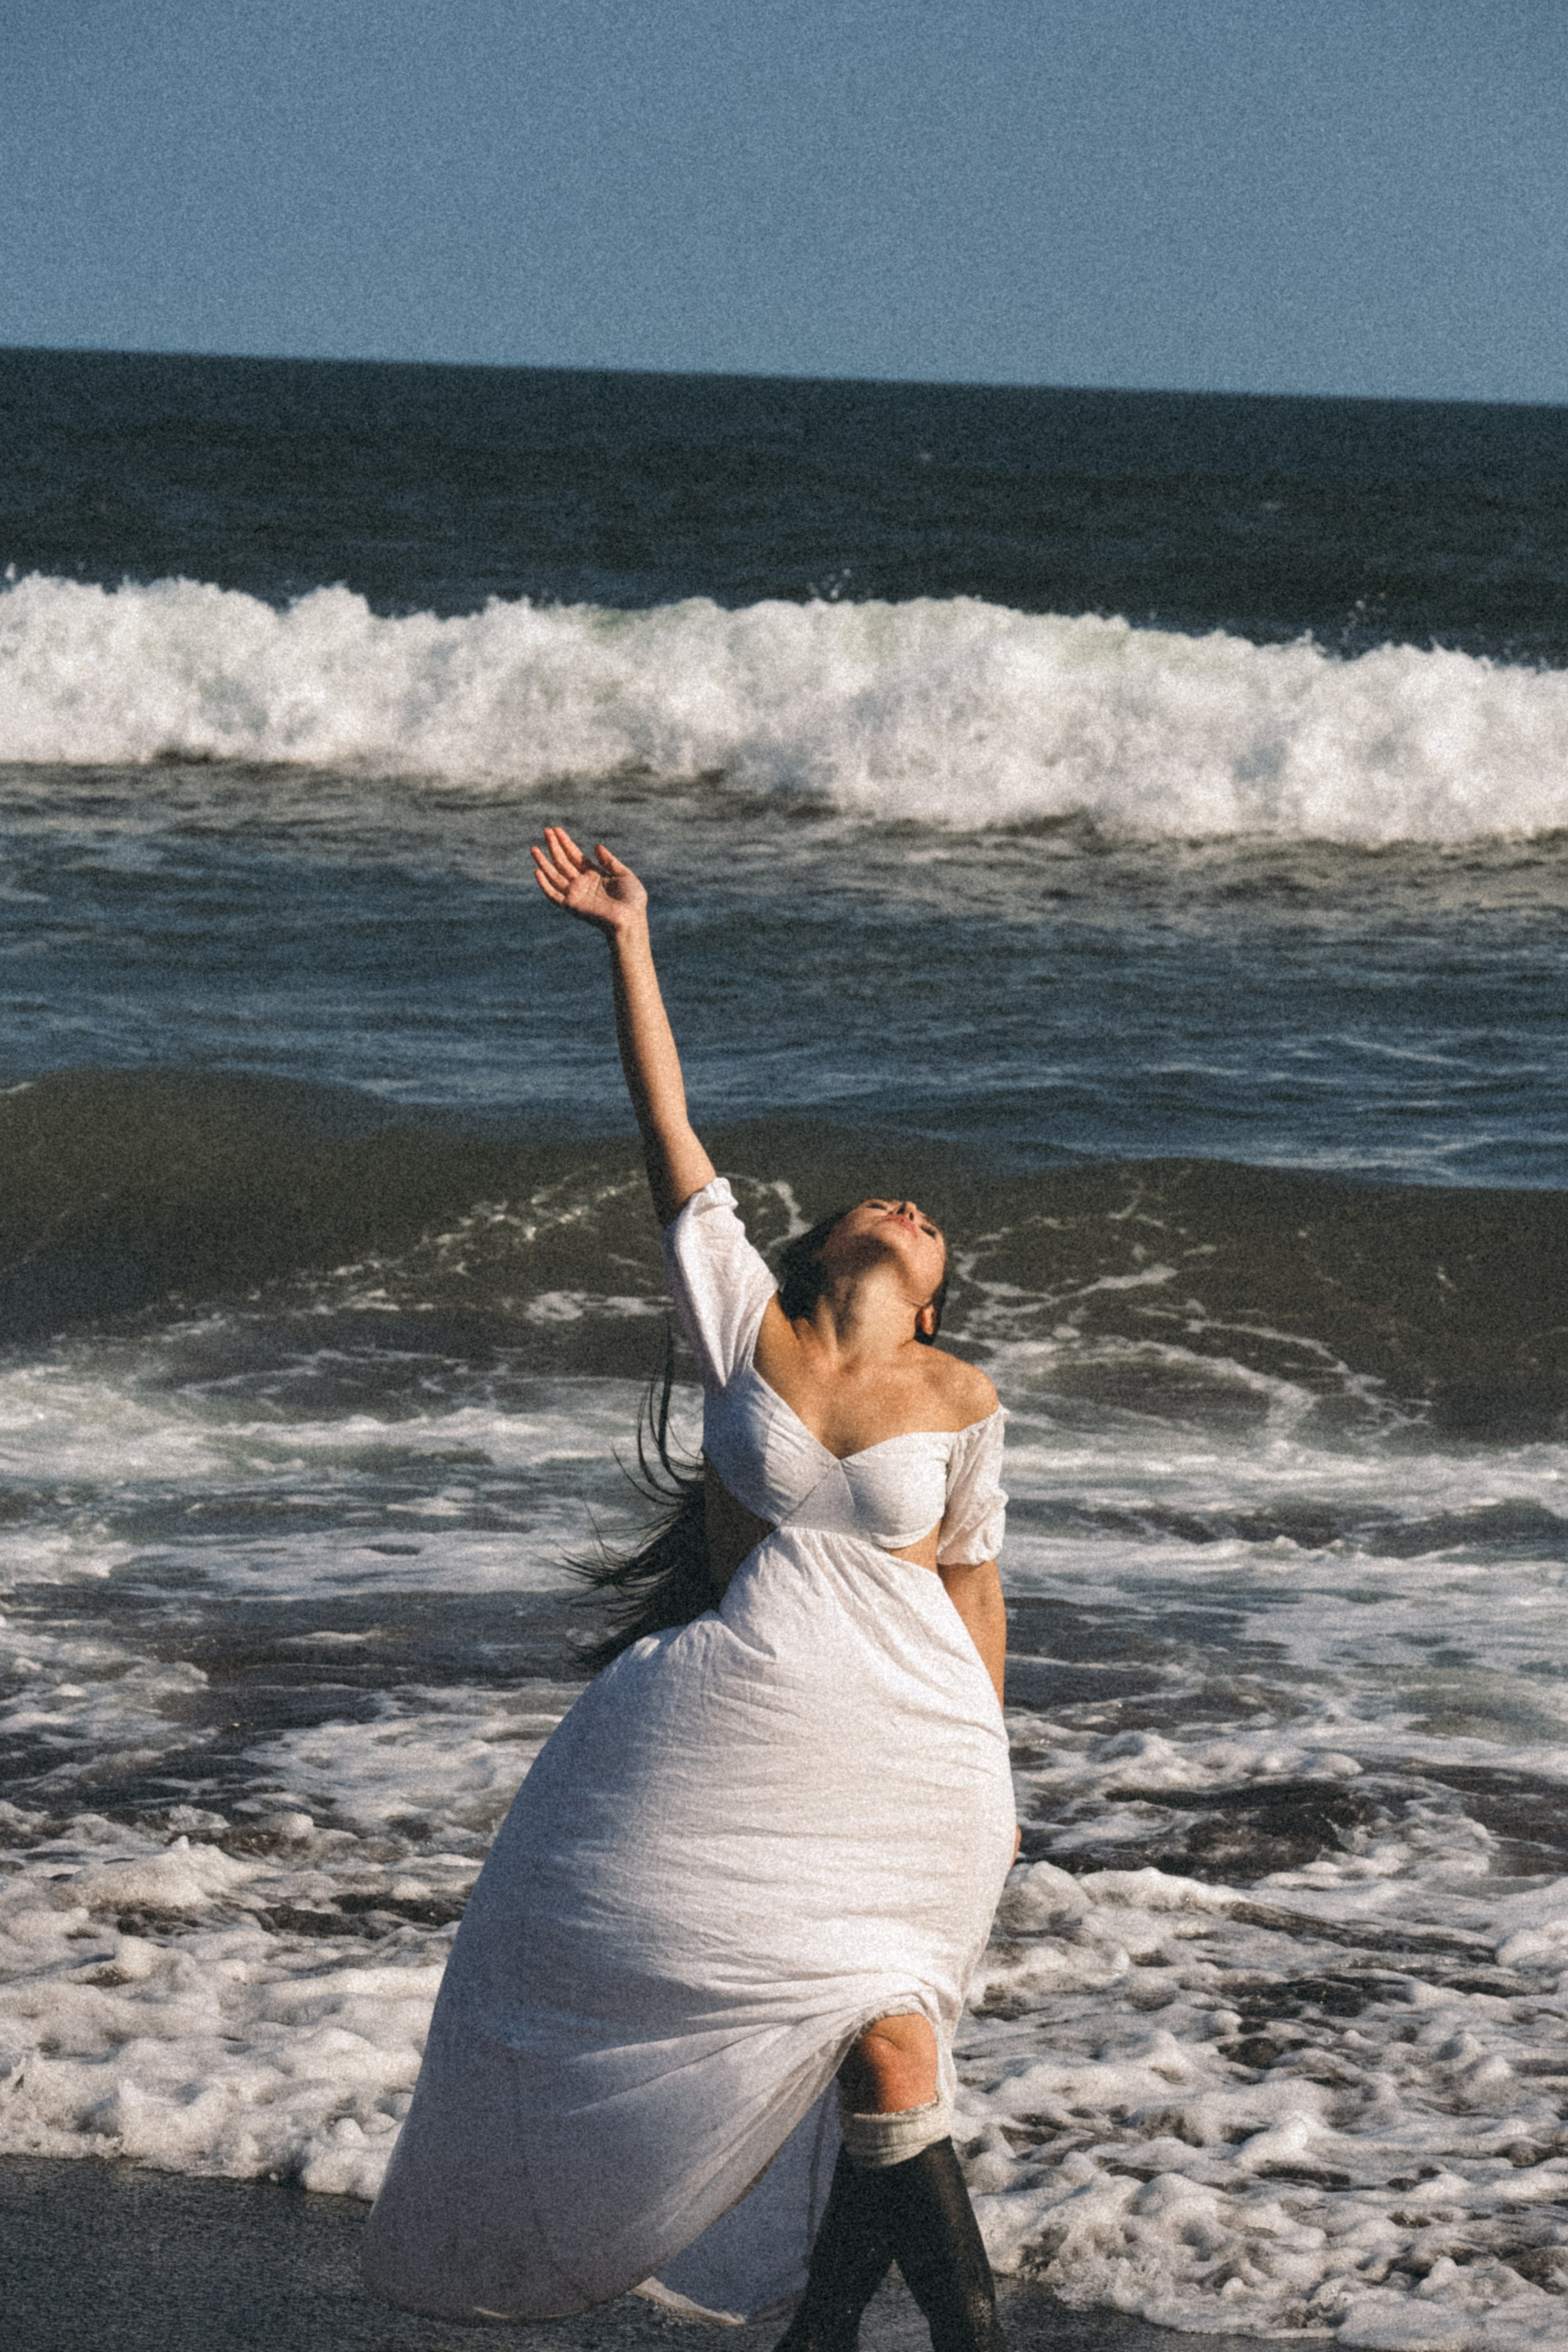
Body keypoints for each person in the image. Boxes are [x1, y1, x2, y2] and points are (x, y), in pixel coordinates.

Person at [363, 829, 1017, 2352]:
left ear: (934, 1294)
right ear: (830, 1248)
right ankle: (860, 2332)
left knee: (889, 2058)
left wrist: (990, 1772)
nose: (910, 1205)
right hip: (734, 1759)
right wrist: (625, 940)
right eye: (889, 1201)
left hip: (915, 1763)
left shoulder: (967, 1399)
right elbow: (666, 1129)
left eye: (931, 1224)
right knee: (858, 2061)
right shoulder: (748, 1329)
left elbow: (975, 1598)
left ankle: (923, 2337)